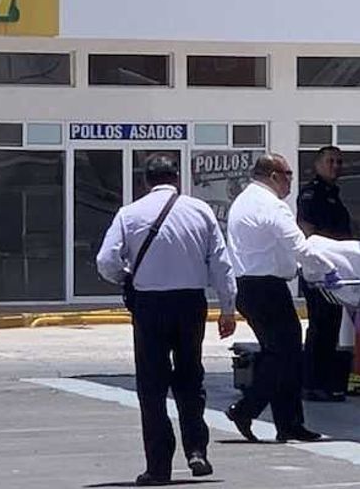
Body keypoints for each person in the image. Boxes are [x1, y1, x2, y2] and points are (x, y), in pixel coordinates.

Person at [97, 156, 237, 486]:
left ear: (146, 182)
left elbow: (106, 261)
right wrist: (228, 307)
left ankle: (158, 466)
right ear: (176, 179)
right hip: (190, 303)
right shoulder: (200, 211)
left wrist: (125, 276)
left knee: (152, 386)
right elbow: (221, 262)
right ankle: (197, 450)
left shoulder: (129, 214)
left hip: (150, 305)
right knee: (190, 378)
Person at [225, 153, 337, 443]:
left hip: (249, 288)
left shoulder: (243, 201)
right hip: (267, 290)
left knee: (283, 356)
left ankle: (288, 423)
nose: (291, 180)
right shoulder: (273, 206)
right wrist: (334, 267)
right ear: (274, 176)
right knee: (284, 356)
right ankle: (247, 409)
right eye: (288, 174)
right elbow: (301, 247)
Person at [297, 146, 351, 402]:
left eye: (339, 162)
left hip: (334, 269)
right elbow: (308, 231)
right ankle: (311, 383)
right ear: (318, 164)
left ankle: (325, 383)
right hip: (319, 270)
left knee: (332, 326)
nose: (336, 166)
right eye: (330, 161)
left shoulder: (334, 194)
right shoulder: (311, 193)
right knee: (320, 326)